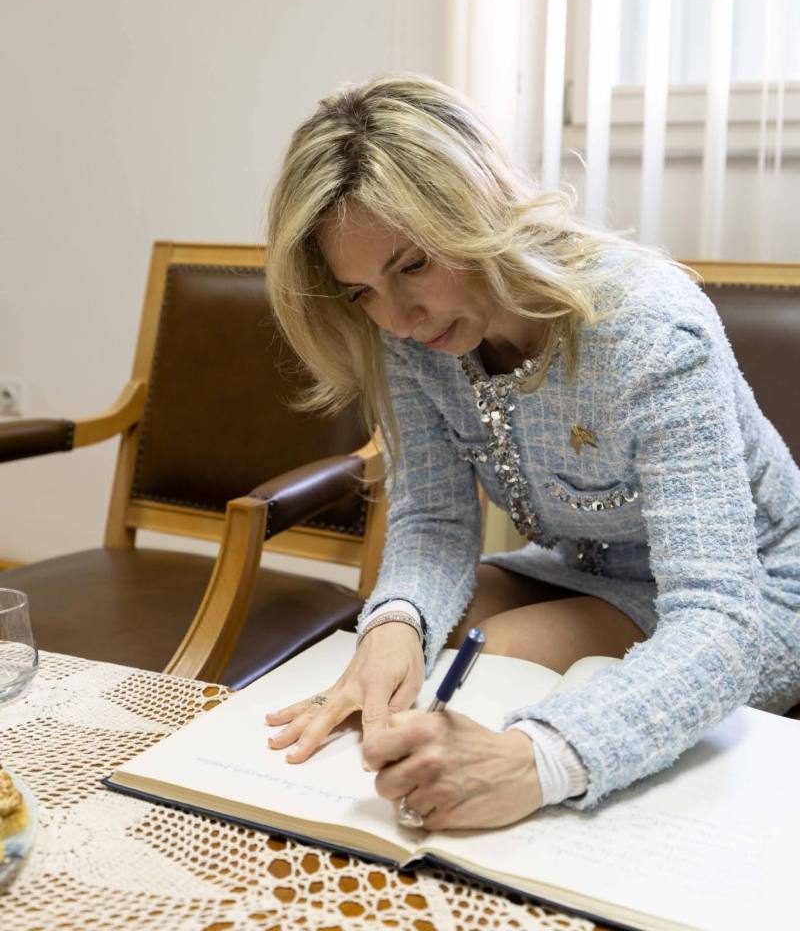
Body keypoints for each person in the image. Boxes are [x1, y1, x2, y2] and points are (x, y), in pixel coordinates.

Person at [263, 73, 800, 831]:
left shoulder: (650, 329)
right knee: (408, 642)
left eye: (412, 265)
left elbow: (717, 617)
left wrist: (538, 760)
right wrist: (395, 625)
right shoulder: (410, 340)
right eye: (361, 292)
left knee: (501, 654)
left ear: (477, 205)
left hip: (761, 592)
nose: (398, 317)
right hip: (593, 570)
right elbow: (434, 523)